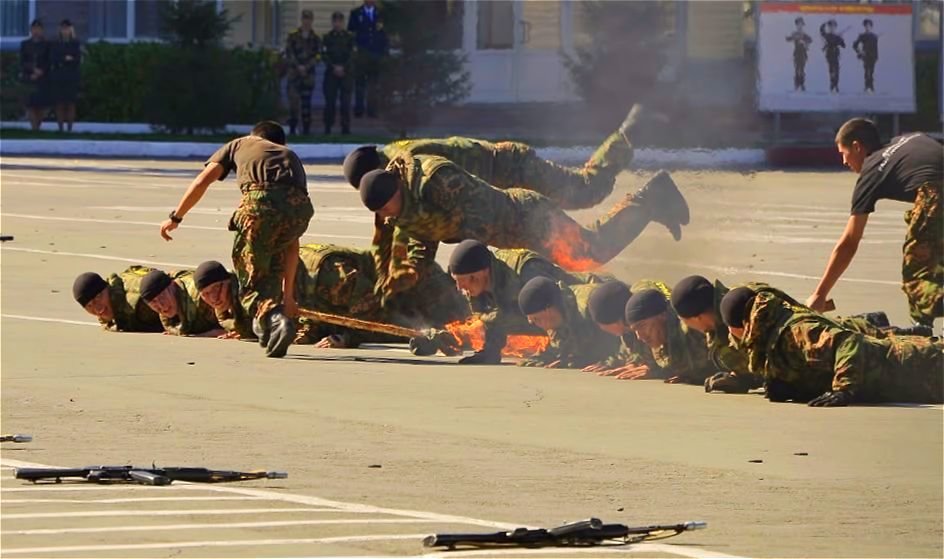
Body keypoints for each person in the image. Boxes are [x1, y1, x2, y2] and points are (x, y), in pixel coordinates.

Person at [356, 157, 688, 277]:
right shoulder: (402, 204)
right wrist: (415, 273)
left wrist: (474, 263)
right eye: (381, 212)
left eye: (387, 207)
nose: (387, 216)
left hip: (529, 217)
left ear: (397, 189)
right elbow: (422, 236)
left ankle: (650, 197)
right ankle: (650, 202)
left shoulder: (436, 180)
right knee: (576, 264)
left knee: (590, 253)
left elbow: (478, 217)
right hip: (513, 232)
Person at [158, 121, 314, 357]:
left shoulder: (241, 144)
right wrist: (289, 296)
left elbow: (203, 180)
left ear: (255, 136)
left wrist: (176, 217)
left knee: (249, 287)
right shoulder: (289, 156)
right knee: (270, 273)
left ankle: (275, 320)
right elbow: (292, 246)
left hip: (259, 206)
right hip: (301, 211)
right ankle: (272, 329)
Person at [342, 104, 659, 211]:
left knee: (586, 190)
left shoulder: (408, 163)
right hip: (503, 172)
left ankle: (630, 132)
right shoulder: (396, 152)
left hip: (513, 168)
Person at [806, 119, 943, 328]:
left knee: (916, 282)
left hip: (936, 196)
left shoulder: (872, 170)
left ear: (857, 147)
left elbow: (849, 242)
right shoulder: (909, 137)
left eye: (843, 153)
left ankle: (922, 339)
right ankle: (923, 331)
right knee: (938, 271)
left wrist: (820, 293)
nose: (844, 161)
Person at [721, 287, 943, 407]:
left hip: (917, 366)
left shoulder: (795, 330)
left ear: (743, 324)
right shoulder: (774, 327)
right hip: (906, 373)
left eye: (731, 329)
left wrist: (843, 390)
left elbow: (848, 342)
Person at [422, 240, 611, 364]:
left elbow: (557, 306)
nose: (461, 289)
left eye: (463, 283)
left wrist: (559, 351)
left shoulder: (524, 270)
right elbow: (490, 317)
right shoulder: (476, 285)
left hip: (596, 306)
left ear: (479, 275)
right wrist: (490, 350)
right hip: (547, 319)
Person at [293, 242, 470, 348]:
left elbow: (379, 323)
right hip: (391, 296)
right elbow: (313, 303)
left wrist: (348, 338)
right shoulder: (292, 269)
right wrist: (309, 331)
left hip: (424, 295)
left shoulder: (336, 278)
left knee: (467, 328)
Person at [516, 277, 621, 369]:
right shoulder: (558, 316)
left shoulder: (593, 305)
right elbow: (559, 347)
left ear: (548, 310)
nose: (533, 324)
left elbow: (626, 332)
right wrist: (544, 358)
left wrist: (613, 361)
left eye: (536, 319)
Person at [72, 268, 164, 333]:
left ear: (107, 289)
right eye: (89, 306)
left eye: (98, 298)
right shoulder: (113, 305)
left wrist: (172, 326)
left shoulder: (137, 303)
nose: (97, 308)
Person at [139, 269, 222, 337]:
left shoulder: (200, 296)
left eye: (162, 297)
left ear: (173, 286)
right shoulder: (167, 318)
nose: (161, 305)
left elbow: (225, 327)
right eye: (154, 303)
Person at [193, 260, 255, 340]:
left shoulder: (247, 293)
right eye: (206, 294)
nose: (214, 298)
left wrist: (245, 331)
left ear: (228, 282)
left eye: (216, 288)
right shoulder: (222, 310)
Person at [348, 0, 387, 118]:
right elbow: (351, 32)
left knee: (373, 84)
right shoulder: (355, 13)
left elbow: (385, 35)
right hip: (361, 55)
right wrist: (355, 51)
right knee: (360, 84)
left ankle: (372, 110)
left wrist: (384, 52)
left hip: (376, 54)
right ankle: (359, 110)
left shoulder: (381, 13)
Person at [285, 10, 321, 135]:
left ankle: (306, 130)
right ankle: (293, 129)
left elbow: (318, 56)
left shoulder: (315, 38)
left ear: (312, 21)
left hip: (308, 75)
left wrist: (306, 66)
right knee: (293, 103)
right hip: (294, 75)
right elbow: (289, 53)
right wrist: (298, 66)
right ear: (301, 20)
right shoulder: (293, 36)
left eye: (309, 19)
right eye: (305, 19)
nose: (307, 21)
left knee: (306, 104)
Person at [322, 12, 355, 135]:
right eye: (335, 21)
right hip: (331, 74)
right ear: (332, 22)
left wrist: (343, 68)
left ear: (343, 23)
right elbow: (324, 55)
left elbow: (352, 55)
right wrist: (334, 67)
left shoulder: (349, 37)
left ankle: (345, 128)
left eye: (339, 21)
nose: (337, 24)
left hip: (346, 74)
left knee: (345, 103)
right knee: (330, 102)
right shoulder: (327, 37)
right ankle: (328, 127)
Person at [50, 19, 81, 132]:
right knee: (59, 103)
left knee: (71, 103)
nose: (65, 31)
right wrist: (65, 58)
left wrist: (67, 59)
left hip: (71, 76)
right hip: (59, 76)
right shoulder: (56, 43)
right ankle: (60, 128)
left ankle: (70, 129)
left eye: (67, 28)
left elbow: (77, 59)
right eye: (63, 28)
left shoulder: (75, 43)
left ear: (71, 29)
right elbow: (53, 58)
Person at [19, 19, 49, 131]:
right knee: (30, 104)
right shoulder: (25, 44)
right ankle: (34, 129)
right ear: (31, 30)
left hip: (43, 78)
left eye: (38, 29)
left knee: (41, 105)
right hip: (29, 77)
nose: (36, 31)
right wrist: (32, 70)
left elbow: (49, 61)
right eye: (34, 29)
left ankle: (38, 127)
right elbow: (22, 62)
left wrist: (41, 71)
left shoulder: (47, 45)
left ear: (42, 30)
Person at [785, 17, 812, 92]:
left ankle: (802, 84)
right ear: (796, 25)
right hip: (796, 53)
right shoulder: (795, 34)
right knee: (797, 69)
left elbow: (810, 40)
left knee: (802, 69)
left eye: (801, 24)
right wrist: (792, 38)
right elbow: (789, 39)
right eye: (798, 24)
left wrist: (804, 42)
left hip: (803, 53)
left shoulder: (804, 34)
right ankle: (797, 84)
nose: (799, 26)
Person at [820, 19, 845, 93]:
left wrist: (841, 38)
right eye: (830, 26)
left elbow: (843, 45)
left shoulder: (837, 36)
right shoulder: (827, 35)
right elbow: (822, 31)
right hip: (830, 54)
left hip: (836, 54)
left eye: (833, 26)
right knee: (831, 70)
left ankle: (835, 85)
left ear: (835, 27)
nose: (832, 28)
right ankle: (832, 85)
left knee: (836, 70)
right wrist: (824, 23)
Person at [852, 19, 878, 93]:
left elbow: (875, 48)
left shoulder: (874, 36)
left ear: (871, 27)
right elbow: (854, 45)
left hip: (873, 56)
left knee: (871, 72)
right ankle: (867, 87)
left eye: (869, 26)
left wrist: (876, 57)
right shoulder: (862, 36)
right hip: (865, 56)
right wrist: (860, 51)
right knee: (867, 71)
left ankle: (871, 87)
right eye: (866, 26)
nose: (867, 27)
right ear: (864, 26)